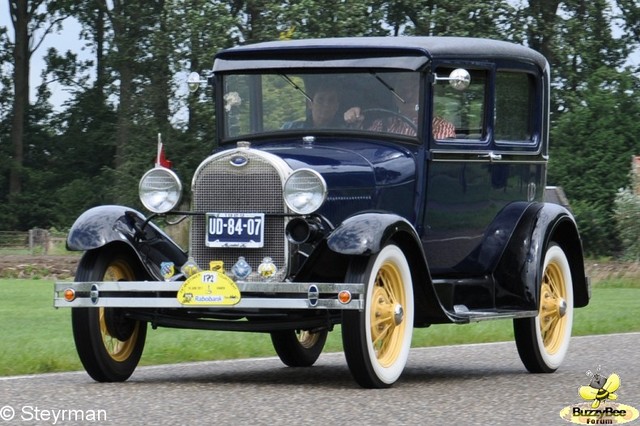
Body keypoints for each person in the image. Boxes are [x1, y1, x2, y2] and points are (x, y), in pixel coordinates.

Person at [343, 73, 455, 139]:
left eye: (414, 89)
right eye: (403, 90)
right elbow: (366, 147)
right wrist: (355, 122)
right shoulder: (382, 124)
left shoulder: (440, 126)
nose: (408, 95)